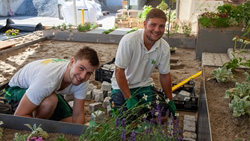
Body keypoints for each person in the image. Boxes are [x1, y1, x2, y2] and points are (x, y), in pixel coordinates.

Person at [4, 46, 99, 125]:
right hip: (16, 89)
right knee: (50, 101)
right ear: (72, 62)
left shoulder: (82, 81)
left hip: (47, 90)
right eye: (81, 68)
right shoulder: (47, 79)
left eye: (89, 73)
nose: (83, 76)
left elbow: (78, 115)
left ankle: (42, 120)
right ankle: (38, 128)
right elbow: (19, 115)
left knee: (69, 122)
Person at [111, 8, 176, 119]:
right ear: (145, 24)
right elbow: (119, 71)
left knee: (162, 114)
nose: (157, 30)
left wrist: (169, 100)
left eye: (161, 26)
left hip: (144, 86)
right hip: (122, 86)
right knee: (128, 118)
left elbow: (165, 75)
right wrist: (128, 98)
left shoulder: (164, 47)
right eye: (153, 25)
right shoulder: (129, 41)